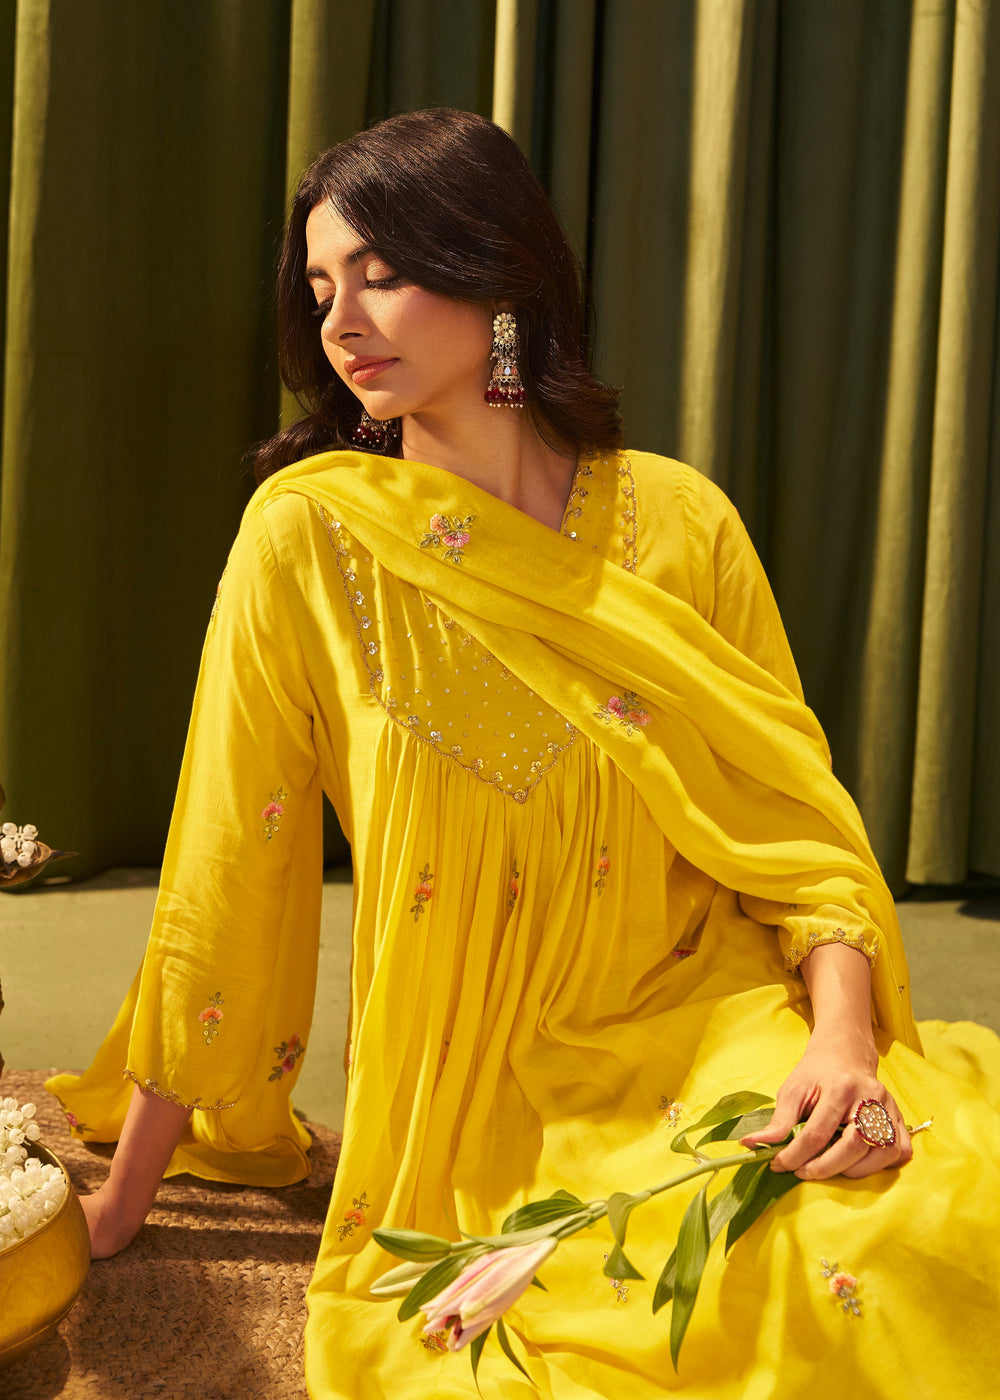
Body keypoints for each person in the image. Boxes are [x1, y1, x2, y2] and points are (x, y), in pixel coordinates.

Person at [50, 108, 1000, 1399]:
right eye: (321, 290)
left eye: (384, 274)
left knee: (917, 1228)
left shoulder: (683, 526)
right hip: (480, 1104)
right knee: (695, 1311)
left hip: (713, 1019)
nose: (341, 322)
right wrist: (123, 1204)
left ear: (499, 275)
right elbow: (230, 865)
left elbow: (799, 837)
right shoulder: (311, 539)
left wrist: (842, 1043)